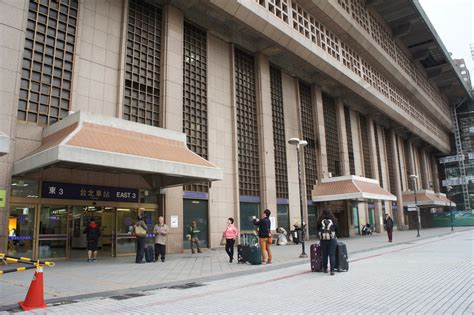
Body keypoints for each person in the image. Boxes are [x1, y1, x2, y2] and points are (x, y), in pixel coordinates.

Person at [317, 209, 338, 275]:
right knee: (332, 255)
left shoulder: (320, 220)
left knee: (324, 255)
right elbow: (337, 229)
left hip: (323, 240)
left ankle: (325, 269)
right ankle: (332, 270)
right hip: (332, 239)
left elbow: (317, 229)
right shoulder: (333, 220)